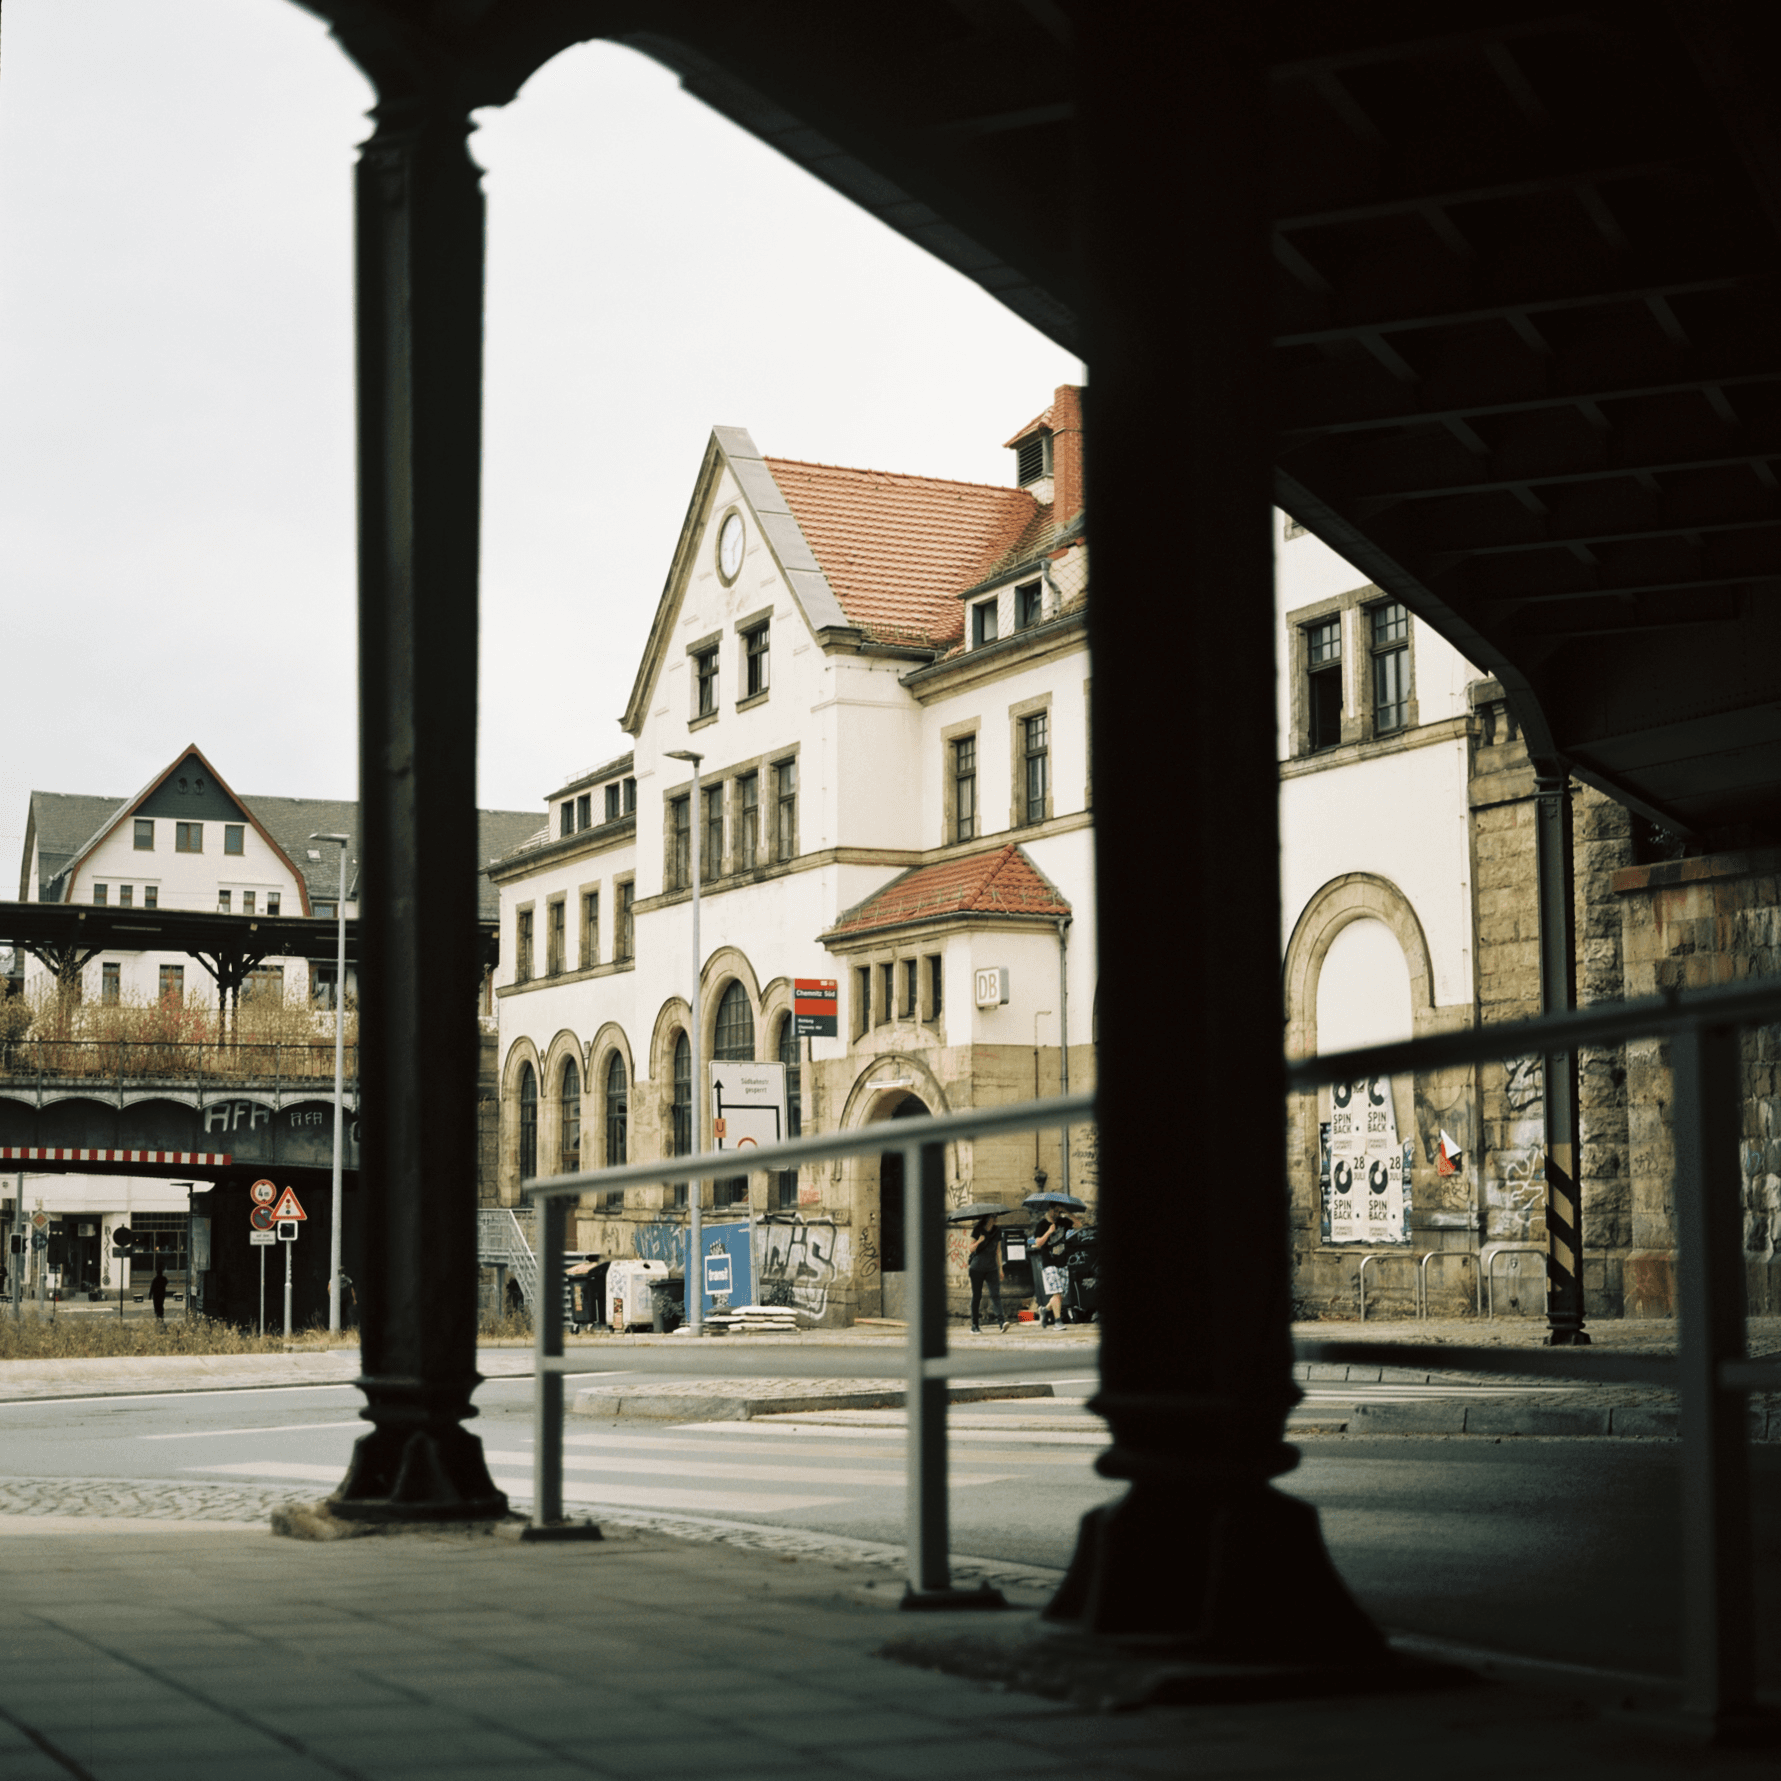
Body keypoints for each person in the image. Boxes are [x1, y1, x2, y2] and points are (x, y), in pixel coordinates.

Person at [1030, 1208, 1074, 1327]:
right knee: (1057, 1292)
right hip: (1049, 1263)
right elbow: (1038, 1243)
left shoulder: (1063, 1222)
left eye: (1059, 1211)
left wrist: (1067, 1212)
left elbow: (1079, 1224)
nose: (1057, 1214)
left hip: (1063, 1263)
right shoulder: (1041, 1225)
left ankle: (1044, 1310)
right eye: (1055, 1211)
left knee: (1060, 1295)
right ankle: (1058, 1321)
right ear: (1049, 1210)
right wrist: (1049, 1232)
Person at [966, 1216, 1006, 1333]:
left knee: (995, 1295)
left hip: (992, 1268)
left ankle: (1002, 1323)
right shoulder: (977, 1229)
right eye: (993, 1216)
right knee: (977, 1296)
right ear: (987, 1217)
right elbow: (971, 1249)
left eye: (996, 1215)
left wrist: (1000, 1268)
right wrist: (979, 1241)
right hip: (976, 1268)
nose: (996, 1217)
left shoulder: (997, 1230)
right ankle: (974, 1325)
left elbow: (998, 1250)